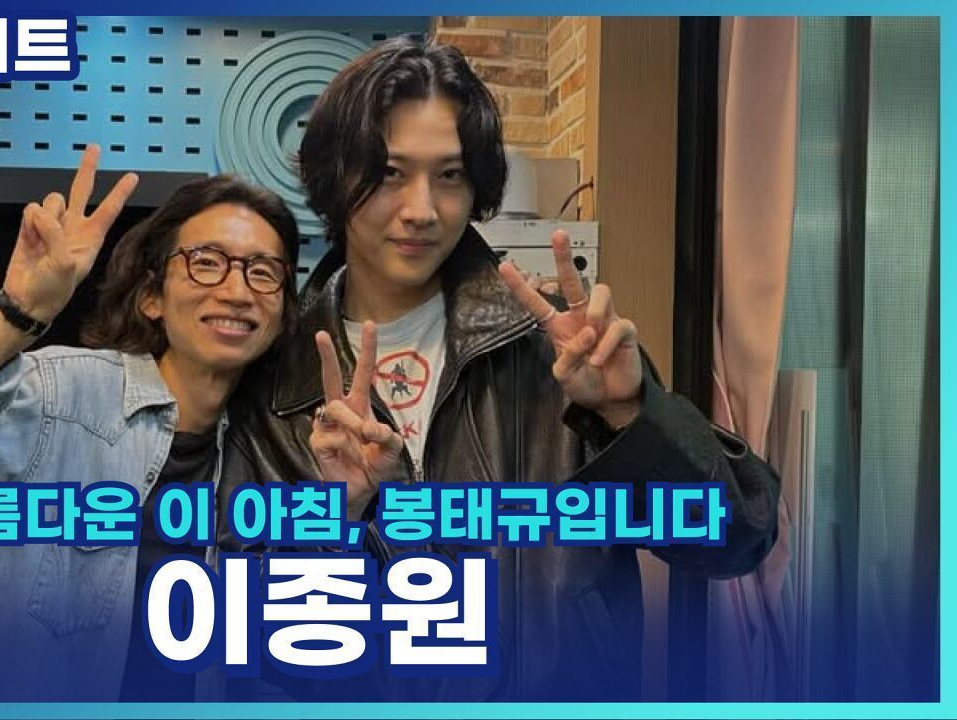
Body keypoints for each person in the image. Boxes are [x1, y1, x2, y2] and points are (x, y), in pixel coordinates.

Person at [220, 37, 780, 701]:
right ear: (336, 178)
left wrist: (632, 413)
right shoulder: (277, 384)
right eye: (391, 173)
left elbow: (738, 538)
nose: (422, 209)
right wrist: (335, 523)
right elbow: (257, 649)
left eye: (450, 176)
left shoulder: (556, 354)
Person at [0, 146, 301, 701]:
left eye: (263, 272)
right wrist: (18, 309)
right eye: (206, 262)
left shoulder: (269, 448)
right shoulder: (60, 397)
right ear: (151, 298)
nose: (237, 291)